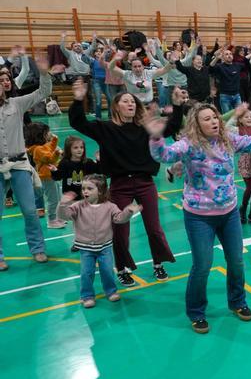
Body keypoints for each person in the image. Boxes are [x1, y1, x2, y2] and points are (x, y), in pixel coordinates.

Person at [148, 101, 251, 333]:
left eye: (214, 117)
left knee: (236, 261)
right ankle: (196, 311)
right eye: (206, 119)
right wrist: (156, 137)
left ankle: (237, 302)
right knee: (202, 266)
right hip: (199, 216)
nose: (213, 121)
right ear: (196, 124)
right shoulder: (189, 145)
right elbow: (165, 155)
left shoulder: (228, 140)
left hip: (229, 213)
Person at [69, 80, 177, 286]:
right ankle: (123, 268)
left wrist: (178, 107)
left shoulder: (145, 128)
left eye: (133, 102)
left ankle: (158, 263)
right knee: (120, 230)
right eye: (125, 101)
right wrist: (78, 99)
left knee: (154, 228)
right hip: (120, 185)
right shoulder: (105, 128)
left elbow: (170, 128)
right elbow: (77, 122)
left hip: (145, 183)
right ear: (116, 106)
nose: (131, 104)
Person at [57, 175, 140, 308]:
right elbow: (63, 216)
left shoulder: (110, 206)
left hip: (105, 248)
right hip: (86, 249)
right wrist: (63, 204)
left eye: (90, 188)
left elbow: (119, 219)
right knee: (86, 273)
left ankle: (111, 291)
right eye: (83, 188)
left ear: (100, 191)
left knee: (107, 270)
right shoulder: (78, 206)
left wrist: (128, 212)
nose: (85, 191)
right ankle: (87, 296)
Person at [0, 58, 51, 270]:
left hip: (19, 164)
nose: (5, 82)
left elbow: (43, 92)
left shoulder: (17, 104)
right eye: (0, 79)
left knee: (30, 210)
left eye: (6, 79)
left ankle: (38, 248)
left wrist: (45, 73)